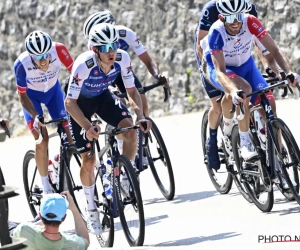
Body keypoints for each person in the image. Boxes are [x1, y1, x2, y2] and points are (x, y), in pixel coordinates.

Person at [64, 23, 152, 235]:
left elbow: (131, 90)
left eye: (113, 45)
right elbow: (69, 103)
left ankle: (125, 177)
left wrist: (140, 116)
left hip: (103, 97)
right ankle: (92, 209)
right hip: (80, 105)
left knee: (131, 130)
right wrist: (86, 126)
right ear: (95, 50)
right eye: (105, 48)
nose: (111, 51)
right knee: (89, 160)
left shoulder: (122, 58)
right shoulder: (83, 65)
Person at [194, 0, 297, 170]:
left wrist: (288, 72)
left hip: (245, 64)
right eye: (231, 17)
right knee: (243, 92)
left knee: (269, 101)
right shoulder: (216, 32)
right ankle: (242, 142)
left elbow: (273, 49)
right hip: (218, 67)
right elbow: (220, 71)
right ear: (221, 17)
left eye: (239, 15)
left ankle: (276, 160)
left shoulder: (250, 21)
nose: (236, 21)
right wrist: (233, 91)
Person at [82, 10, 161, 161]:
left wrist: (157, 75)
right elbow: (98, 75)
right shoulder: (93, 47)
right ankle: (120, 145)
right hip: (105, 74)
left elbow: (148, 60)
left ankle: (142, 144)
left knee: (142, 102)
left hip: (123, 70)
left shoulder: (126, 33)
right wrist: (111, 90)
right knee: (119, 105)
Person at [13, 30, 75, 195]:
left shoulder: (59, 50)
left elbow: (77, 76)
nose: (43, 60)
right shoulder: (21, 64)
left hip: (53, 93)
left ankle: (58, 164)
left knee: (70, 135)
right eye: (38, 57)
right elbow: (22, 95)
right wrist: (35, 116)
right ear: (31, 56)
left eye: (46, 55)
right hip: (31, 98)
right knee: (42, 139)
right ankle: (46, 189)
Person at [11, 191, 89, 249]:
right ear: (64, 218)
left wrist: (44, 220)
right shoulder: (74, 244)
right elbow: (86, 241)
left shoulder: (23, 230)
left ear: (40, 216)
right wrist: (74, 209)